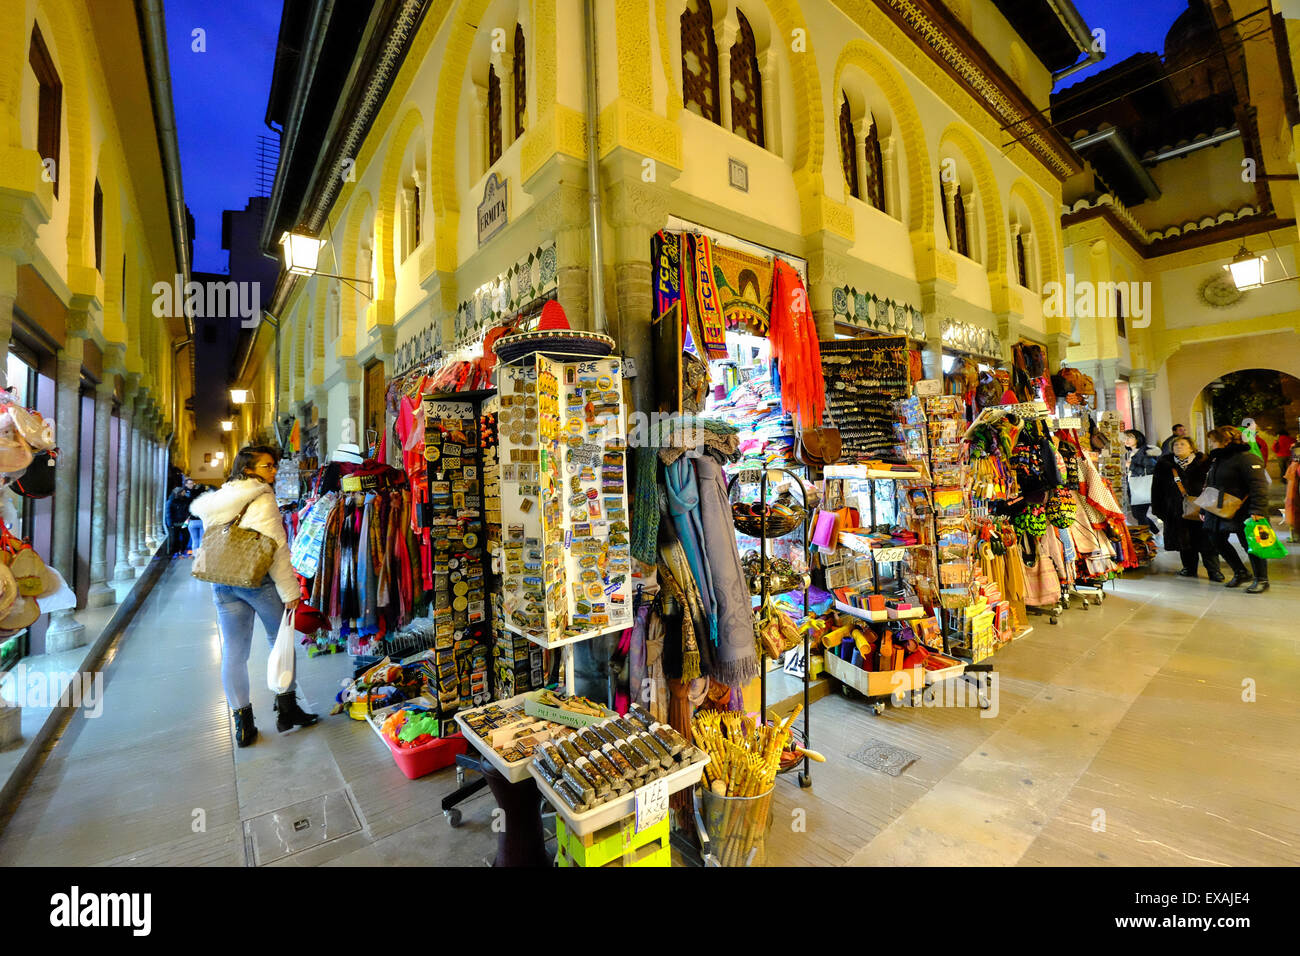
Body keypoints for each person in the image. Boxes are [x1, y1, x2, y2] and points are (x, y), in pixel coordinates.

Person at [189, 445, 318, 746]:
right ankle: (287, 709)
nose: (273, 471)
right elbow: (277, 550)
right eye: (267, 466)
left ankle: (243, 724)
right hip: (257, 581)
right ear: (249, 469)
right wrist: (290, 591)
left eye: (273, 466)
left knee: (234, 652)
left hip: (223, 581)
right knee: (281, 644)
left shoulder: (219, 498)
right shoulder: (262, 498)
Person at [1202, 425, 1271, 594]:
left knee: (1250, 544)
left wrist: (1257, 510)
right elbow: (1211, 485)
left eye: (1213, 441)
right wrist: (1204, 509)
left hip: (1244, 509)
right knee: (1216, 539)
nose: (1211, 445)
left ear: (1225, 441)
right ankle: (1241, 572)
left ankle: (1262, 579)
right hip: (1219, 508)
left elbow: (1258, 486)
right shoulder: (1218, 459)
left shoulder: (1247, 458)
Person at [1151, 436, 1222, 580]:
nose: (1178, 447)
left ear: (1191, 447)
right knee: (1183, 540)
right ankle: (1189, 568)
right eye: (1176, 445)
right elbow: (1156, 488)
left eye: (1183, 444)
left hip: (1202, 508)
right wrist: (1159, 509)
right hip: (1176, 509)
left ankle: (1214, 570)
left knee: (1206, 541)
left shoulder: (1205, 462)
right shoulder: (1164, 465)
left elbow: (1215, 484)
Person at [1122, 429, 1160, 534]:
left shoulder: (1145, 451)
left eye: (1130, 437)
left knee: (1139, 514)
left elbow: (1151, 469)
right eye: (1125, 438)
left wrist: (1131, 466)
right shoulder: (1131, 452)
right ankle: (1155, 533)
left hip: (1143, 487)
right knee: (1137, 514)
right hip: (1135, 486)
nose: (1127, 440)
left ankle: (1146, 538)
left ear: (1138, 438)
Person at [165, 484, 192, 557]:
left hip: (184, 522)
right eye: (183, 492)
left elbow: (188, 509)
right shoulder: (171, 501)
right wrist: (170, 523)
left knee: (186, 536)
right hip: (175, 523)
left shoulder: (186, 500)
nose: (184, 493)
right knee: (175, 538)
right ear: (178, 493)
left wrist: (188, 517)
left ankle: (183, 550)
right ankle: (175, 551)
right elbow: (168, 513)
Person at [185, 479, 206, 555]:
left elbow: (186, 510)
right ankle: (200, 555)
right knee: (201, 539)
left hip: (192, 521)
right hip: (201, 521)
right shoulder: (203, 500)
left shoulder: (188, 498)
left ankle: (194, 555)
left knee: (194, 540)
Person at [1284, 445, 1300, 543]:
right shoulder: (1294, 466)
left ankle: (1296, 536)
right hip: (1294, 494)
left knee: (1295, 512)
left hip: (1295, 495)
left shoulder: (1295, 466)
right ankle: (1295, 536)